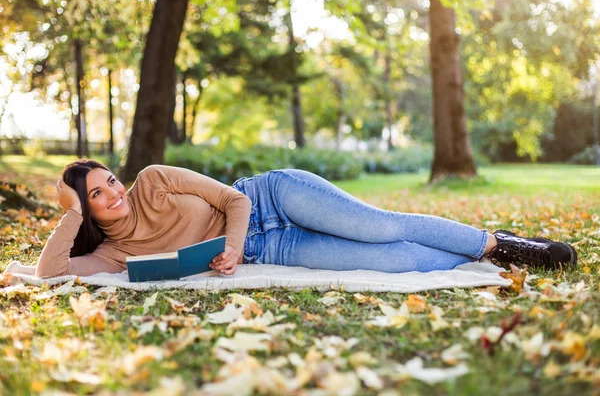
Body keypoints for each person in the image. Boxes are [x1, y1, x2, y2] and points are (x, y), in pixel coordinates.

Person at [5, 160, 577, 278]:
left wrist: (228, 247)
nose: (115, 193)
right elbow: (53, 269)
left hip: (273, 200)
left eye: (109, 181)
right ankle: (487, 259)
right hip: (271, 251)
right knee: (397, 260)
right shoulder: (109, 254)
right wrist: (71, 209)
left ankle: (499, 243)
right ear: (90, 212)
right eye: (99, 197)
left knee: (378, 225)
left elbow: (235, 201)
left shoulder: (153, 179)